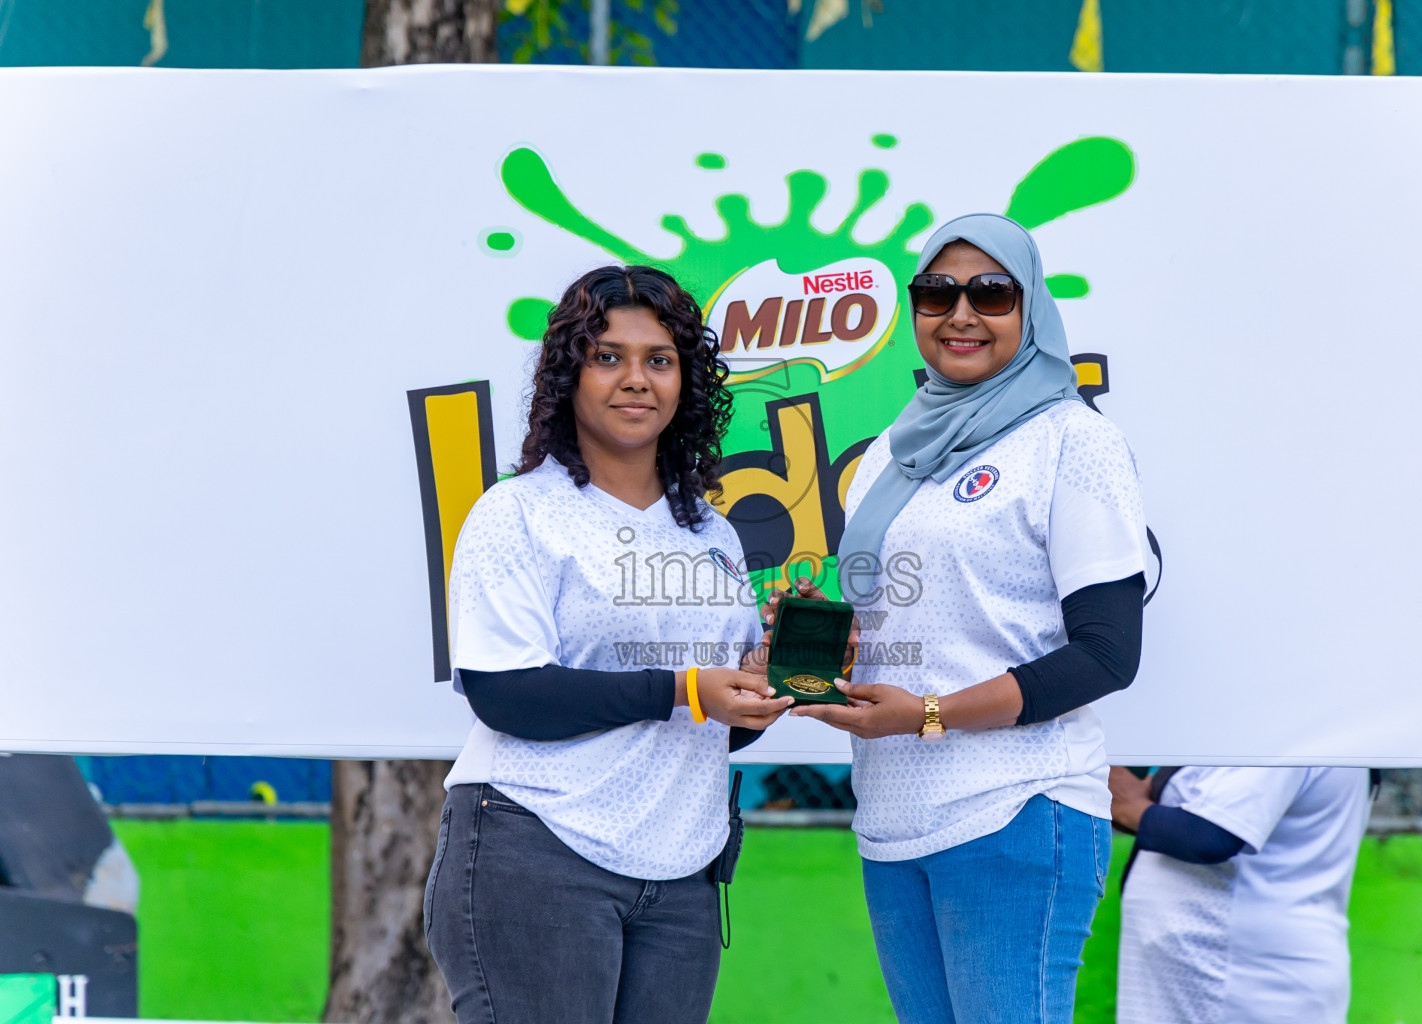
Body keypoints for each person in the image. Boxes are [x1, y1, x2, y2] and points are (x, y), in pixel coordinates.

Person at [787, 213, 1148, 1024]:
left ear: (1030, 311)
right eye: (936, 292)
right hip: (892, 816)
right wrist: (825, 632)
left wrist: (930, 715)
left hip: (1016, 806)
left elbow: (1106, 654)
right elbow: (898, 625)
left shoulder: (1071, 440)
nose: (960, 314)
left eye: (990, 293)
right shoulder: (889, 452)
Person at [424, 264, 794, 1024]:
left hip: (683, 872)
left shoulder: (712, 535)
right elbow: (507, 693)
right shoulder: (518, 514)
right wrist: (687, 690)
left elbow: (709, 727)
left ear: (686, 382)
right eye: (607, 357)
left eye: (659, 360)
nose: (636, 380)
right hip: (537, 852)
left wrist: (762, 688)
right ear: (570, 376)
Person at [1109, 765, 1372, 1024]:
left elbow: (1208, 835)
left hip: (1239, 976)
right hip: (1225, 972)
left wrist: (1124, 802)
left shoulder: (1286, 730)